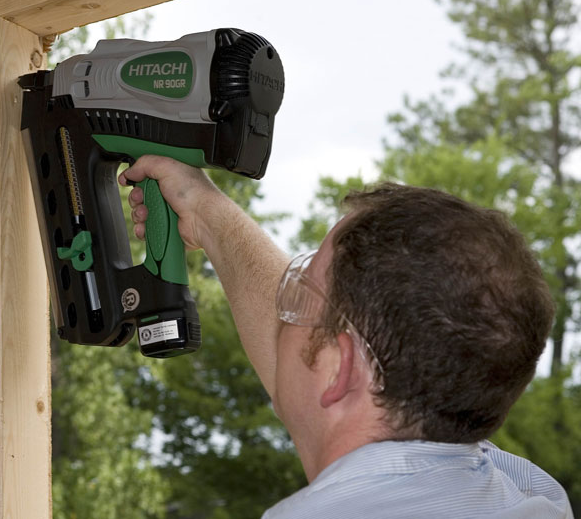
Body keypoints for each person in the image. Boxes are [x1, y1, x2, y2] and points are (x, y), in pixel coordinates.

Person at [119, 155, 575, 519]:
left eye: (298, 291)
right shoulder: (530, 495)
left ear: (338, 368)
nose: (282, 310)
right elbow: (309, 377)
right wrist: (204, 210)